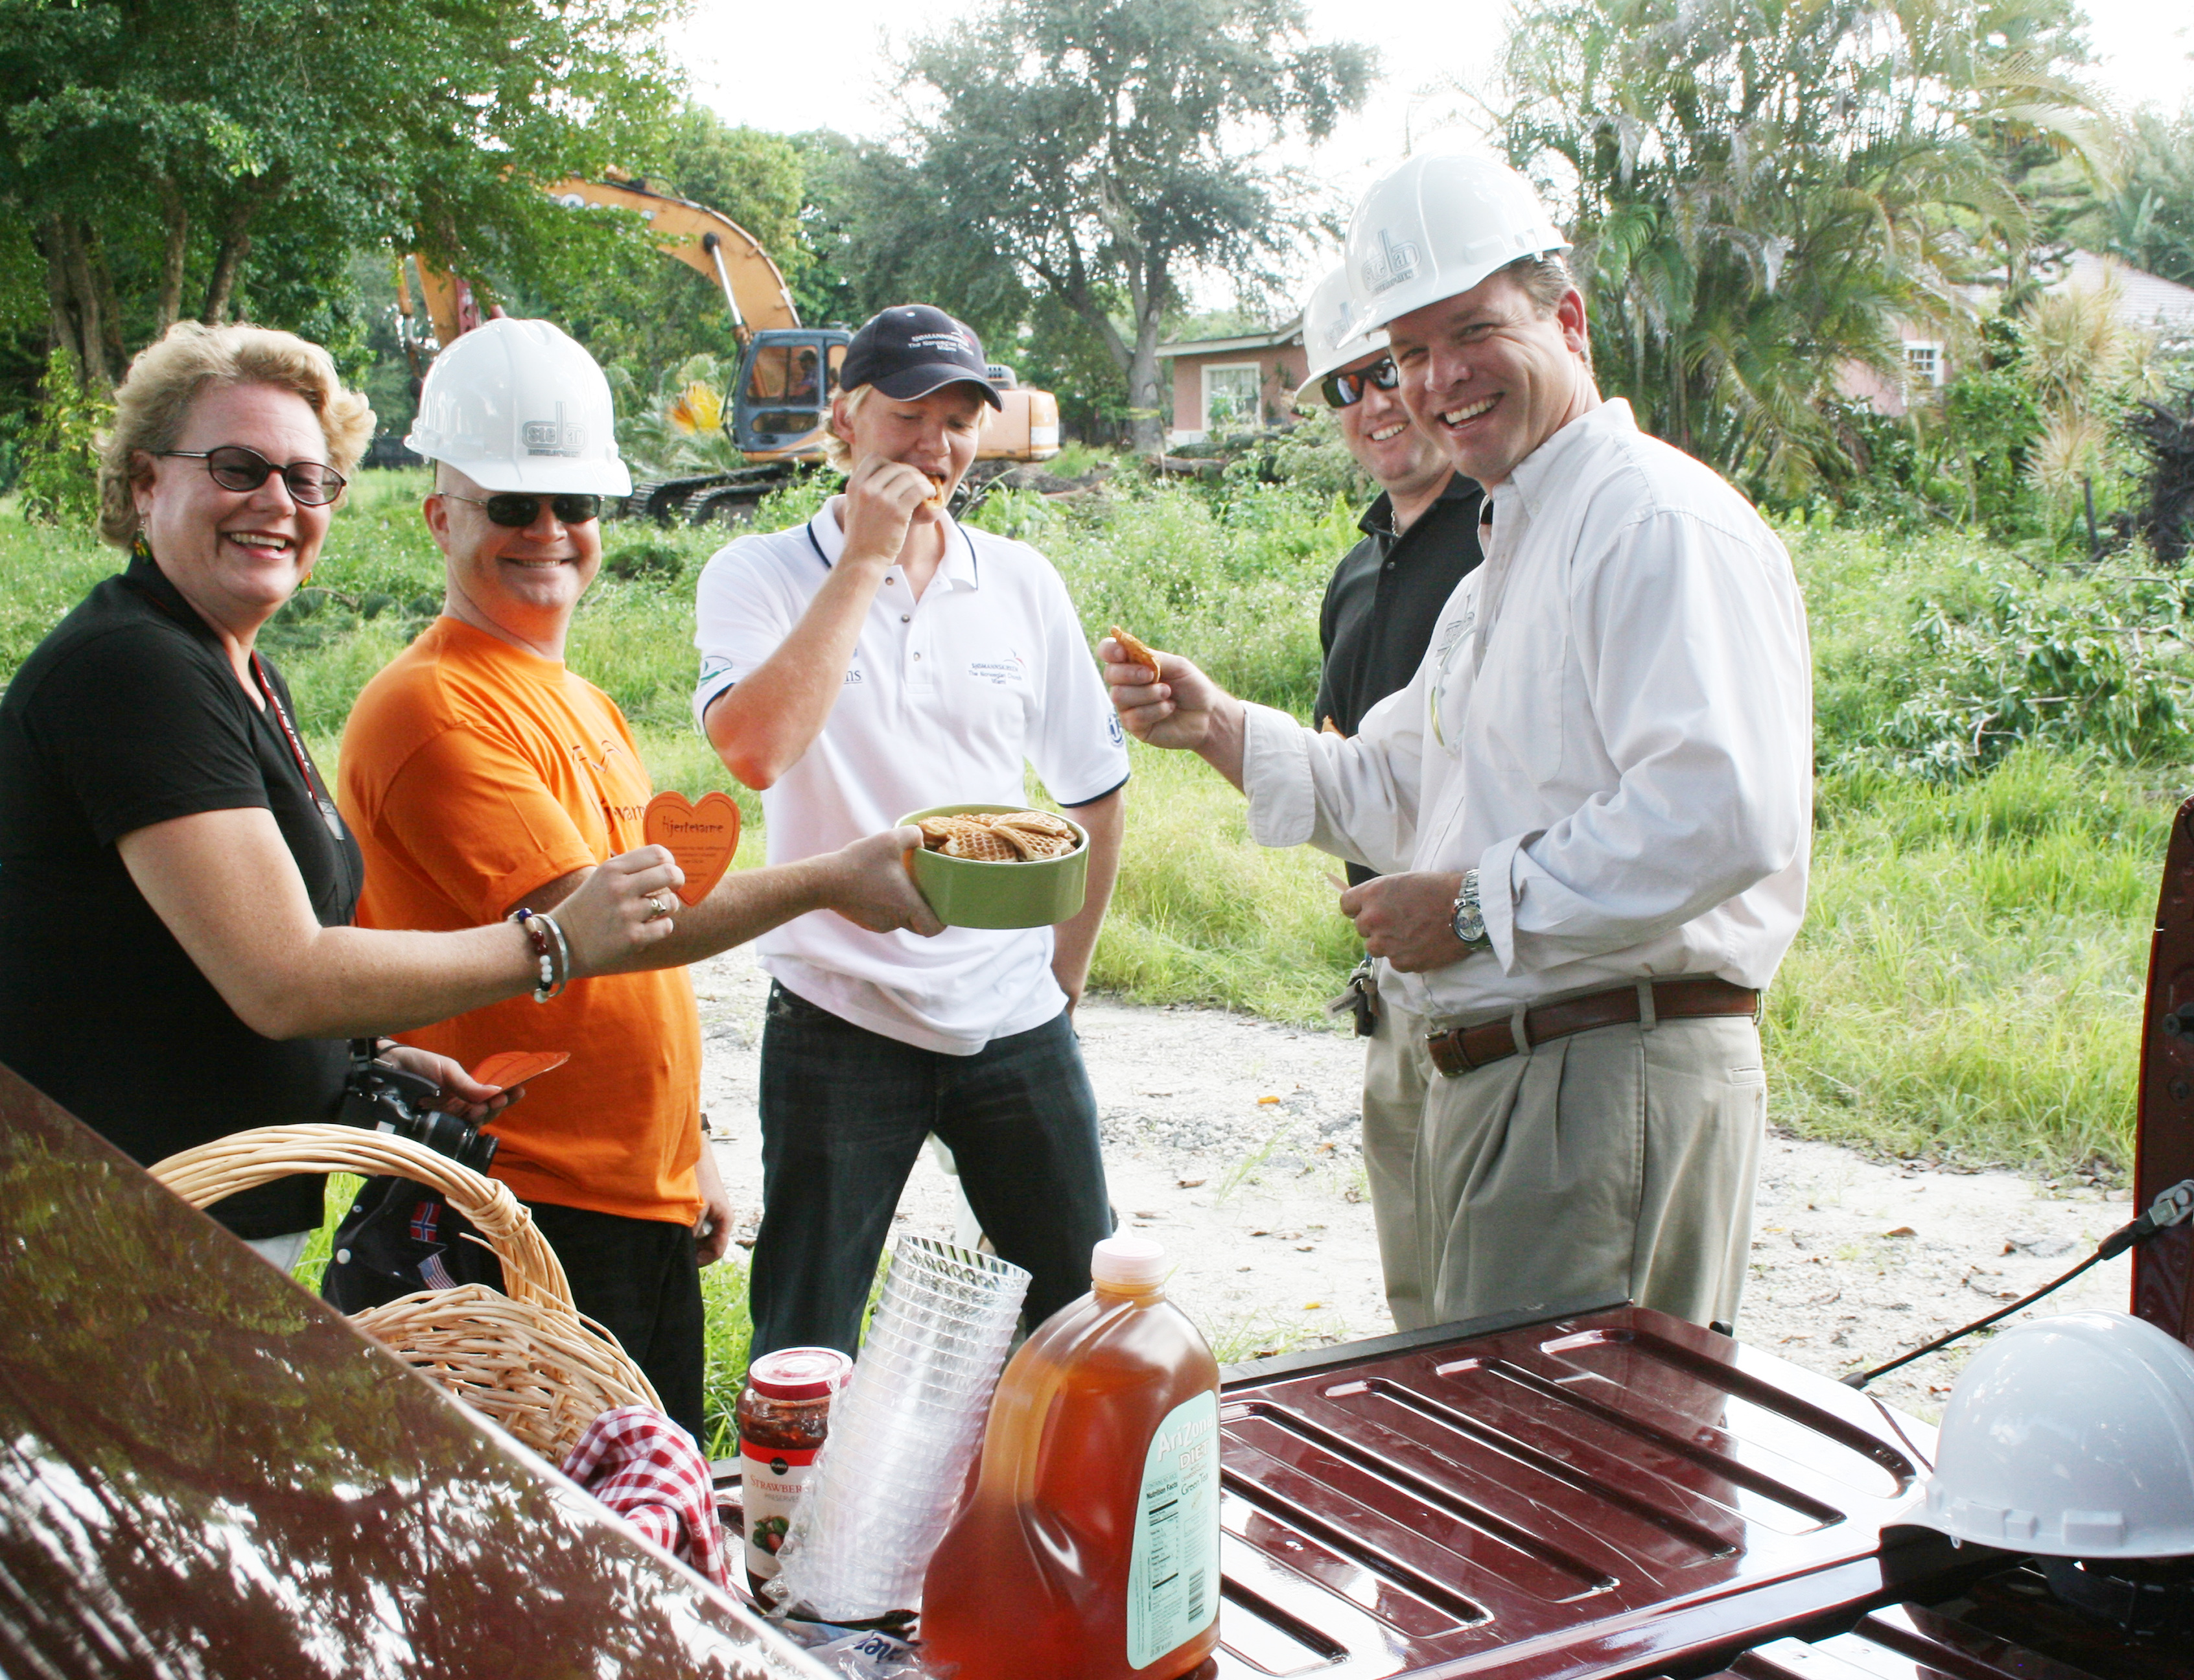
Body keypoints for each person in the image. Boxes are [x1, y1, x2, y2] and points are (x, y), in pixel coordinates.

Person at [1108, 147, 1812, 1335]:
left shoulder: (1651, 520)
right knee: (1481, 1430)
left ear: (1568, 321)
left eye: (1474, 331)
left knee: (1566, 1445)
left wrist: (1476, 908)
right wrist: (1216, 725)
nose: (1439, 378)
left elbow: (1722, 811)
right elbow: (1402, 787)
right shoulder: (1507, 561)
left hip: (1604, 1075)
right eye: (1410, 351)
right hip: (1513, 1072)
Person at [0, 321, 684, 1268]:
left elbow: (195, 958)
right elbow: (282, 977)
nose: (278, 501)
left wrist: (363, 1059)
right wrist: (552, 941)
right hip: (117, 1221)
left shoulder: (236, 673)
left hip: (194, 1208)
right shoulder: (134, 669)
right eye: (237, 467)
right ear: (145, 483)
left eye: (309, 480)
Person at [332, 319, 940, 1427]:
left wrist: (687, 1148)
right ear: (441, 517)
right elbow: (605, 927)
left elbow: (641, 969)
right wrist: (829, 879)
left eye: (574, 504)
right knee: (561, 1509)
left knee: (648, 1496)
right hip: (519, 1201)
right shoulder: (431, 707)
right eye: (512, 507)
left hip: (625, 1198)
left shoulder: (582, 702)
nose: (548, 532)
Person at [694, 304, 1130, 1357]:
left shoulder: (1019, 582)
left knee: (1086, 1315)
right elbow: (754, 750)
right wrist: (863, 561)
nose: (936, 446)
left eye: (961, 420)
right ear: (845, 420)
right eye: (908, 416)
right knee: (806, 1333)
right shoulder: (755, 573)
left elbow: (1094, 788)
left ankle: (1055, 1471)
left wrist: (1061, 981)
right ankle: (800, 1474)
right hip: (838, 1010)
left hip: (1012, 1014)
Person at [1294, 261, 1488, 1332]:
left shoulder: (1499, 537)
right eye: (1347, 384)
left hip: (1500, 967)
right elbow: (1348, 756)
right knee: (1419, 1297)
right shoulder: (1358, 570)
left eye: (1390, 369)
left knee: (1500, 1311)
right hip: (1395, 976)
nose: (1375, 402)